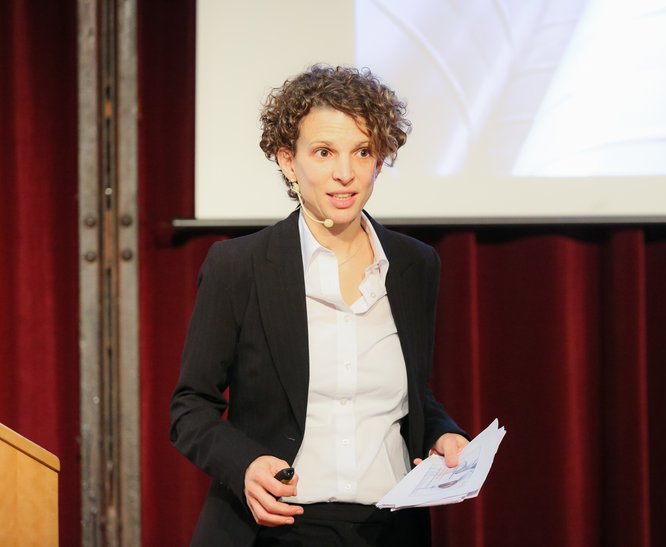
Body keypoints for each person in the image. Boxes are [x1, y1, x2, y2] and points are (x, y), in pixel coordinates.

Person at [170, 64, 468, 547]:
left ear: (379, 160)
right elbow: (190, 408)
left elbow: (411, 394)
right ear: (288, 161)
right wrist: (246, 464)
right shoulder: (239, 266)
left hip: (390, 530)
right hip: (275, 529)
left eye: (362, 151)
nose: (345, 173)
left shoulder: (416, 265)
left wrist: (443, 433)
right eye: (324, 152)